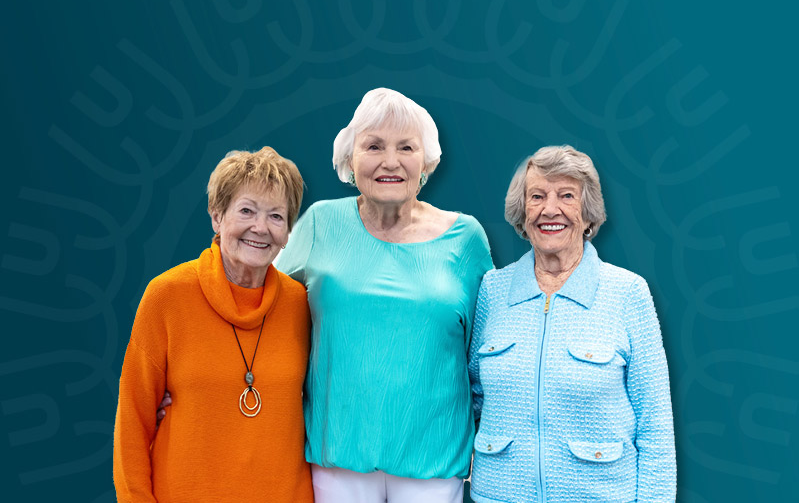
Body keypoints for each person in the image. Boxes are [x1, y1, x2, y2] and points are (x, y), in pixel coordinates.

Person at [275, 88, 493, 502]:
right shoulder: (321, 221)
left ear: (425, 162)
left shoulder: (467, 238)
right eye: (374, 146)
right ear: (349, 160)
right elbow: (260, 303)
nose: (390, 161)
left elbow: (489, 349)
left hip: (435, 460)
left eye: (405, 147)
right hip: (337, 455)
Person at [468, 146, 675, 502]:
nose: (550, 209)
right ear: (523, 212)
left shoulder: (628, 293)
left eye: (566, 195)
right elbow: (472, 397)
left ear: (588, 213)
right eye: (537, 196)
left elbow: (655, 426)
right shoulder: (492, 289)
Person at [113, 146, 313, 502]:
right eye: (247, 211)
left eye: (276, 216)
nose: (260, 228)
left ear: (288, 231)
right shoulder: (166, 296)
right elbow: (132, 424)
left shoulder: (302, 304)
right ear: (217, 217)